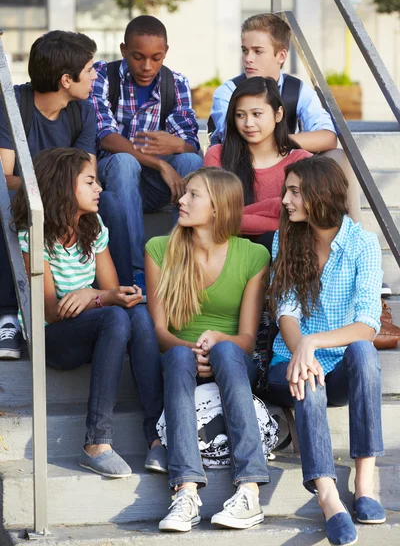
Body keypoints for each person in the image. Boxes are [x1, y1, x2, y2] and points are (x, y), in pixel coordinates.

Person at [11, 148, 165, 477]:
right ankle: (96, 442)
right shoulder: (34, 235)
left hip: (91, 327)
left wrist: (91, 294)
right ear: (64, 186)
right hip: (52, 338)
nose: (99, 189)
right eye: (90, 182)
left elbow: (112, 292)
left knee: (136, 313)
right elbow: (51, 312)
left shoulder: (92, 228)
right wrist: (100, 298)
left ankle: (156, 439)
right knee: (115, 316)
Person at [145, 166, 270, 532]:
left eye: (193, 195)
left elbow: (247, 339)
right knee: (180, 355)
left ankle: (249, 488)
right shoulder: (160, 249)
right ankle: (185, 491)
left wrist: (218, 342)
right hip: (181, 359)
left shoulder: (253, 256)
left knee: (229, 352)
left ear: (218, 208)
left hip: (232, 362)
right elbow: (159, 330)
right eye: (184, 194)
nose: (181, 200)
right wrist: (192, 347)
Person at [267, 156, 385, 546]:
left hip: (337, 364)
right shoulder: (285, 238)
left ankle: (365, 478)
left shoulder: (363, 244)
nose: (285, 199)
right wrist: (302, 350)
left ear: (320, 195)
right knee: (308, 378)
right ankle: (328, 496)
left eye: (295, 191)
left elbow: (368, 323)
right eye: (287, 190)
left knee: (365, 351)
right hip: (290, 366)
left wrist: (314, 343)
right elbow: (285, 307)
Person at [0, 30, 132, 359]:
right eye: (89, 69)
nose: (95, 75)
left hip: (67, 202)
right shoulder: (13, 105)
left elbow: (87, 175)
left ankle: (125, 297)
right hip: (23, 199)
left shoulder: (82, 111)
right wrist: (47, 189)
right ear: (65, 80)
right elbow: (4, 177)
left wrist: (62, 192)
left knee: (111, 203)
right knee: (3, 206)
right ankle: (6, 315)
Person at [208, 13, 362, 226]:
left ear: (281, 56)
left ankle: (352, 228)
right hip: (238, 169)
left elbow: (327, 136)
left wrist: (279, 142)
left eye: (257, 51)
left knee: (339, 157)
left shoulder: (297, 90)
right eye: (245, 51)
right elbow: (237, 135)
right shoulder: (228, 91)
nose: (248, 58)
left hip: (284, 168)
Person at [89, 15, 203, 288]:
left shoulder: (174, 83)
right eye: (138, 57)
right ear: (124, 50)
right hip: (113, 179)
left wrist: (176, 145)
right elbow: (105, 136)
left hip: (154, 186)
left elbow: (189, 141)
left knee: (190, 160)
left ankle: (180, 261)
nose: (147, 66)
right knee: (125, 162)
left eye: (156, 57)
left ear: (166, 53)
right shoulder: (103, 74)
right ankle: (135, 270)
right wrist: (161, 164)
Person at [204, 76, 312, 254]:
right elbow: (211, 217)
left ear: (278, 115)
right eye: (240, 115)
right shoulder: (217, 155)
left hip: (283, 255)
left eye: (257, 114)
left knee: (271, 240)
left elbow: (301, 220)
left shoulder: (301, 161)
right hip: (225, 252)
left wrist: (233, 217)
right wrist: (274, 208)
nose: (248, 124)